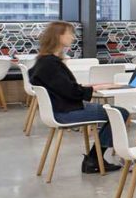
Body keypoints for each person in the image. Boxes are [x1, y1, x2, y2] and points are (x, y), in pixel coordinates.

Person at [29, 21, 127, 173]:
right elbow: (72, 92)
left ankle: (95, 159)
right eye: (70, 33)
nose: (73, 37)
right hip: (66, 112)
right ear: (59, 36)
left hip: (61, 108)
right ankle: (94, 159)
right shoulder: (51, 64)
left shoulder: (44, 61)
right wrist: (96, 87)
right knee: (120, 113)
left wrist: (91, 87)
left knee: (116, 112)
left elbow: (65, 88)